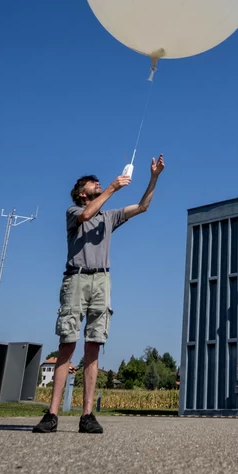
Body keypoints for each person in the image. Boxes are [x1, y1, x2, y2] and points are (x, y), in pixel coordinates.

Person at [32, 154, 165, 433]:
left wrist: (154, 177)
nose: (98, 183)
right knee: (67, 344)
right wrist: (113, 188)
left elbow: (142, 207)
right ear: (83, 193)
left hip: (102, 280)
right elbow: (85, 215)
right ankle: (52, 415)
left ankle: (87, 415)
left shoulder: (109, 216)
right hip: (76, 279)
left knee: (94, 346)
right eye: (94, 183)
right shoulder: (73, 211)